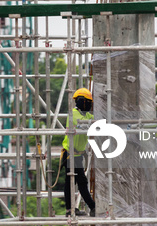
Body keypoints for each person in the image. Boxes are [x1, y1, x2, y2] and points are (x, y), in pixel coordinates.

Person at [62, 87, 96, 217]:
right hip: (70, 154)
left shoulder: (86, 115)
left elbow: (94, 120)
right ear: (83, 102)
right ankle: (90, 207)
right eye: (88, 102)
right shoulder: (73, 114)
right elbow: (84, 124)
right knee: (76, 181)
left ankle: (71, 210)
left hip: (77, 155)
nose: (89, 105)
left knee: (77, 181)